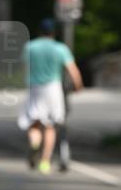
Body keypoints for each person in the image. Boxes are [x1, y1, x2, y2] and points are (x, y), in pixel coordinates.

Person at [19, 19, 83, 173]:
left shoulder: (30, 47)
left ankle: (35, 144)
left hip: (35, 87)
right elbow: (73, 70)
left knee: (34, 123)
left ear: (40, 31)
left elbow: (23, 68)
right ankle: (45, 161)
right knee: (50, 126)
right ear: (54, 32)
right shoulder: (60, 48)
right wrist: (78, 86)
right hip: (53, 88)